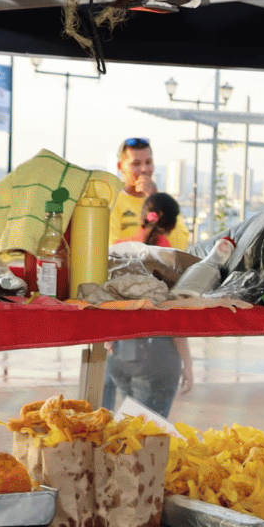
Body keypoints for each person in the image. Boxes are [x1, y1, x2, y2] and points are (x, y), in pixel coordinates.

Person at [103, 161, 195, 417]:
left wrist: (111, 337)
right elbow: (174, 316)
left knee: (129, 432)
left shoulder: (119, 248)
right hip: (158, 359)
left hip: (120, 356)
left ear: (142, 216)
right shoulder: (171, 260)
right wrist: (187, 363)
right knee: (147, 438)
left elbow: (106, 298)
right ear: (174, 225)